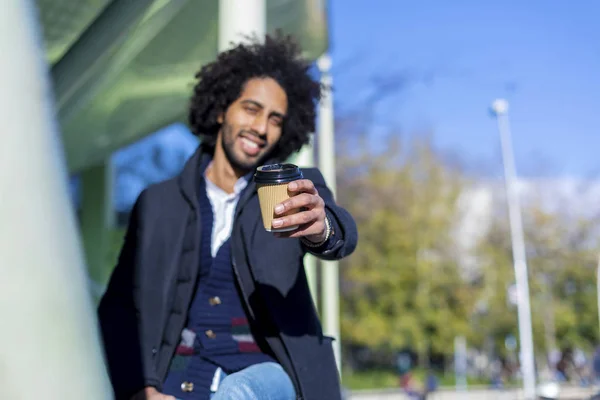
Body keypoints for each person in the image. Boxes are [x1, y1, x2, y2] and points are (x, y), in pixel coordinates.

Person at [97, 32, 358, 400]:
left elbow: (339, 233)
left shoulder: (291, 189)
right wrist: (142, 390)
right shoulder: (157, 204)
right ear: (222, 109)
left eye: (275, 119)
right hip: (176, 380)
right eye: (251, 109)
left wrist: (321, 227)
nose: (262, 127)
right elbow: (119, 308)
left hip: (265, 378)